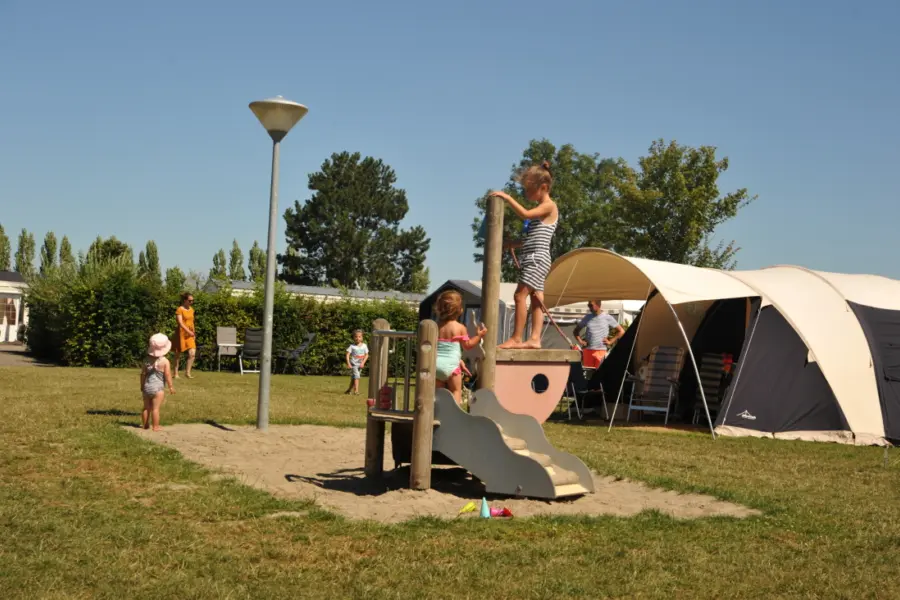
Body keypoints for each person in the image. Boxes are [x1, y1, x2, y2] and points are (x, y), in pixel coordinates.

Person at [489, 161, 558, 349]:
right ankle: (535, 338)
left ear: (543, 187)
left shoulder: (549, 206)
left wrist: (507, 198)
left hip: (537, 258)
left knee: (520, 296)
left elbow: (526, 214)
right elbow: (532, 237)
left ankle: (517, 338)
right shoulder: (542, 209)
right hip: (534, 257)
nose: (526, 194)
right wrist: (512, 244)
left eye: (529, 190)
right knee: (536, 300)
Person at [434, 290, 487, 404]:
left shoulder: (435, 326)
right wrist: (479, 336)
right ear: (460, 310)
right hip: (452, 366)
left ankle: (437, 412)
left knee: (438, 394)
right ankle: (454, 413)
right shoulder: (460, 327)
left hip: (436, 365)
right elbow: (468, 346)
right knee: (456, 390)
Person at [573, 300, 625, 369]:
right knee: (588, 373)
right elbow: (575, 331)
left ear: (598, 305)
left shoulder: (607, 317)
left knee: (600, 373)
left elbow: (621, 331)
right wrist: (581, 341)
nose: (589, 307)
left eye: (591, 305)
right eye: (588, 305)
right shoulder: (587, 317)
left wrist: (610, 341)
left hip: (601, 351)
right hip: (588, 351)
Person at [141, 333, 175, 431]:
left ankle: (145, 425)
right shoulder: (165, 361)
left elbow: (143, 374)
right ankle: (155, 426)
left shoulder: (146, 360)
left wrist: (142, 386)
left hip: (147, 387)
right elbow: (168, 375)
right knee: (155, 409)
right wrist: (171, 386)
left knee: (146, 407)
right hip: (158, 389)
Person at [173, 292, 196, 379]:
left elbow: (192, 322)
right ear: (185, 300)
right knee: (178, 354)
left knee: (192, 353)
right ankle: (175, 373)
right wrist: (188, 331)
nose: (191, 302)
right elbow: (180, 323)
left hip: (190, 334)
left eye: (192, 300)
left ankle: (188, 373)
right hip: (181, 333)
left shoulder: (191, 310)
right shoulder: (180, 309)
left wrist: (193, 333)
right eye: (190, 300)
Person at [345, 329, 369, 395]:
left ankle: (348, 390)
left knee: (354, 378)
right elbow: (347, 355)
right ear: (353, 337)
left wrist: (363, 363)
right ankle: (356, 391)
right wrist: (348, 363)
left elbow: (367, 355)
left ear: (362, 337)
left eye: (359, 336)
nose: (357, 338)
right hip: (354, 364)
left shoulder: (364, 346)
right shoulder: (352, 346)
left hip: (360, 365)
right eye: (356, 336)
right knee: (357, 377)